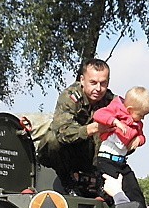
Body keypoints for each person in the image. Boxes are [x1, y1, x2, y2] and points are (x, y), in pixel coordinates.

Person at [37, 59, 114, 193]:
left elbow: (132, 117)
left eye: (103, 83)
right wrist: (93, 128)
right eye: (93, 83)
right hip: (65, 153)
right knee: (52, 139)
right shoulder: (70, 97)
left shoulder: (111, 102)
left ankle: (100, 182)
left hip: (90, 157)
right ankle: (68, 182)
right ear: (82, 80)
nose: (98, 88)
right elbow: (62, 132)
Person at [93, 86, 149, 206]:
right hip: (107, 158)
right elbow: (99, 115)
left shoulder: (138, 124)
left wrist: (138, 139)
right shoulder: (116, 109)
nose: (142, 118)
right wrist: (115, 121)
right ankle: (103, 199)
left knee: (133, 187)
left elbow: (142, 136)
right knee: (112, 182)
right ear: (130, 110)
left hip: (121, 161)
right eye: (141, 115)